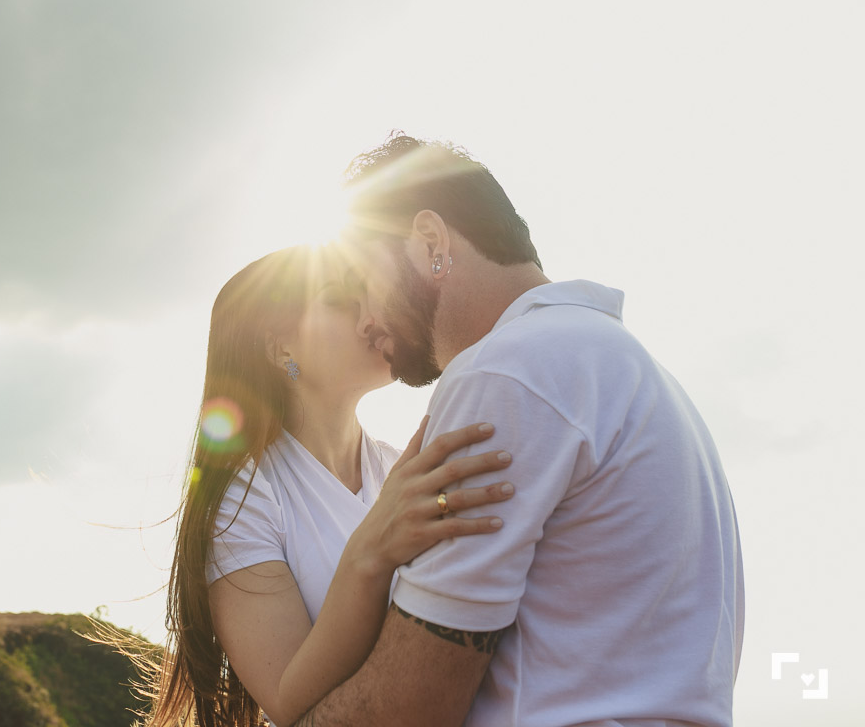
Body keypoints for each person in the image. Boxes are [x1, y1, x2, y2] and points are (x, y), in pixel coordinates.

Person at [292, 135, 745, 727]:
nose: (365, 321)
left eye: (360, 287)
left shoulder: (507, 373)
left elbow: (408, 709)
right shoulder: (629, 369)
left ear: (429, 242)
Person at [144, 244, 518, 727]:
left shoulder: (401, 464)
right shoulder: (245, 497)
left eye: (368, 297)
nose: (372, 317)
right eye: (342, 301)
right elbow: (285, 697)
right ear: (281, 349)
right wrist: (371, 553)